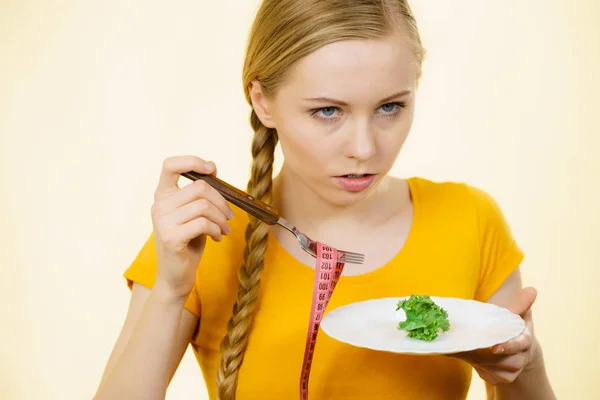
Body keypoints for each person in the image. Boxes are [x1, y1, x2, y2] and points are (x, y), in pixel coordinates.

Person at [94, 0, 557, 399]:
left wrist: (525, 362)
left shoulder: (469, 221)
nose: (364, 148)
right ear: (263, 101)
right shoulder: (205, 236)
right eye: (328, 111)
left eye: (390, 107)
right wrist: (171, 292)